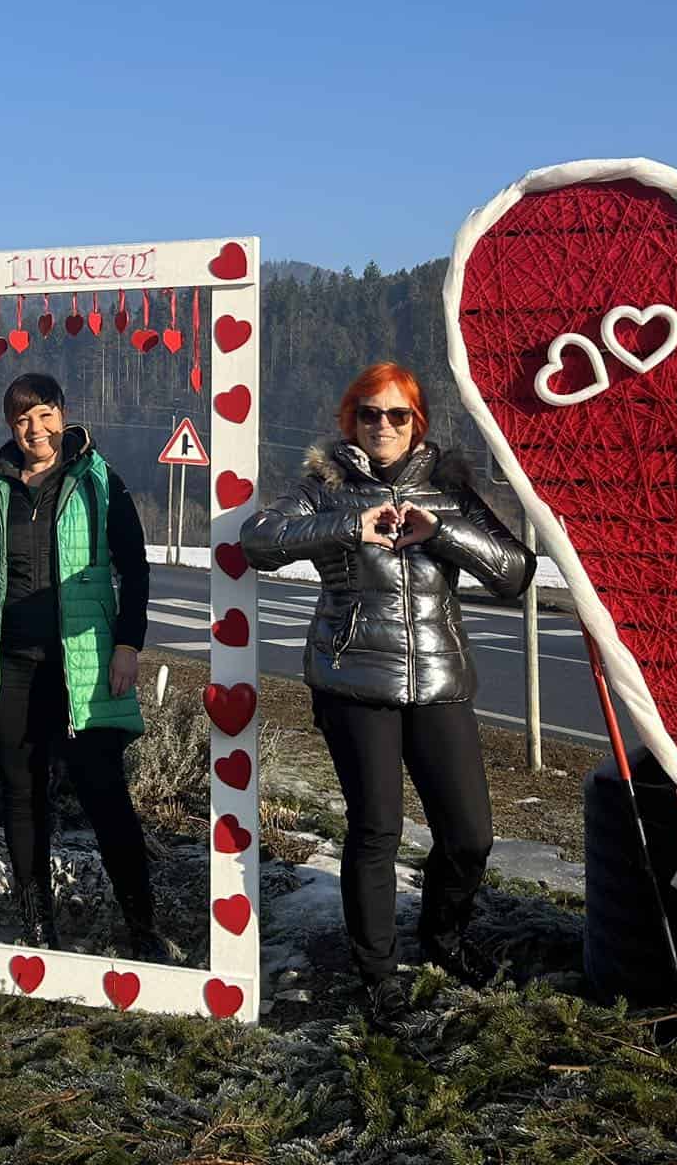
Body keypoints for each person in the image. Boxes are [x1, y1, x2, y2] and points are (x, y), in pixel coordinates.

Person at [241, 362, 533, 1026]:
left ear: (416, 423)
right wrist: (348, 528)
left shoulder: (453, 487)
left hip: (438, 679)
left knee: (470, 834)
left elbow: (515, 572)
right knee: (376, 830)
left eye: (397, 415)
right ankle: (377, 972)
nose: (382, 426)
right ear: (352, 420)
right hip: (353, 681)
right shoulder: (326, 487)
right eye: (369, 413)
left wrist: (441, 531)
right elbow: (258, 540)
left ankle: (443, 935)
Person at [0, 372, 162, 957]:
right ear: (10, 427)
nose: (35, 429)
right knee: (21, 797)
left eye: (44, 414)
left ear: (64, 413)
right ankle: (35, 927)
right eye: (22, 419)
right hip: (12, 665)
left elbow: (137, 567)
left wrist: (128, 645)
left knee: (105, 795)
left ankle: (141, 926)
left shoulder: (99, 480)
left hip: (84, 665)